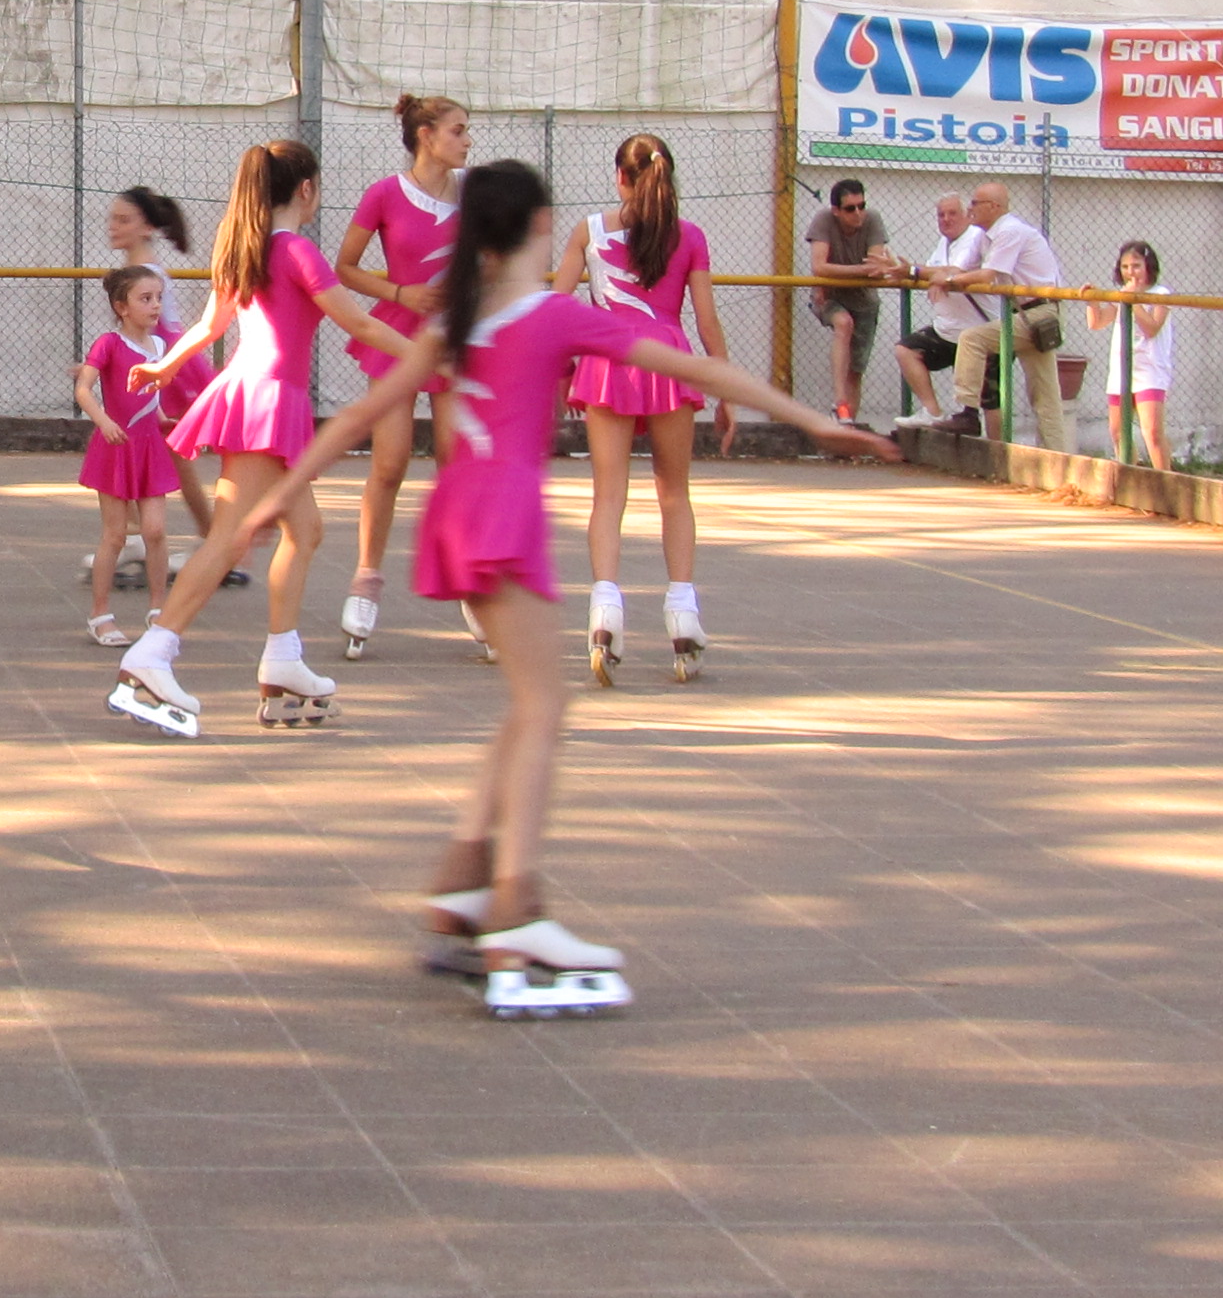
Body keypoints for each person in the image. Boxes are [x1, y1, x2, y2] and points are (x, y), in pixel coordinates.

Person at [247, 160, 897, 1004]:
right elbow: (695, 369)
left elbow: (364, 416)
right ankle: (514, 912)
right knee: (545, 710)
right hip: (502, 520)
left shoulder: (458, 323)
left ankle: (460, 884)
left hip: (456, 515)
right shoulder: (552, 316)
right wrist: (813, 420)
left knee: (528, 705)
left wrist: (288, 490)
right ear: (541, 225)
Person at [105, 141, 417, 737]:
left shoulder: (247, 247)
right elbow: (356, 321)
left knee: (306, 529)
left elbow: (209, 326)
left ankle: (283, 658)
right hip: (267, 401)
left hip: (258, 396)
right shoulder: (295, 250)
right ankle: (153, 654)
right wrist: (434, 359)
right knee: (229, 538)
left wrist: (166, 366)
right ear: (307, 190)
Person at [553, 133, 728, 685]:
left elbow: (557, 306)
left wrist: (563, 369)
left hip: (608, 359)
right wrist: (725, 388)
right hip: (669, 359)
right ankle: (682, 614)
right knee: (674, 493)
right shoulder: (689, 236)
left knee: (609, 494)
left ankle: (605, 612)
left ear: (620, 177)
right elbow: (706, 320)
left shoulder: (589, 230)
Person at [330, 94, 470, 655]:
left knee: (457, 463)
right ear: (426, 135)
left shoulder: (475, 194)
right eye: (458, 130)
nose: (467, 140)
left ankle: (468, 583)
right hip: (397, 336)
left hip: (455, 339)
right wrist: (400, 292)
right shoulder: (385, 193)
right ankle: (366, 578)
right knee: (390, 463)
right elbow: (345, 267)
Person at [103, 185, 215, 562]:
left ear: (147, 227)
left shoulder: (146, 273)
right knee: (138, 453)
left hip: (163, 371)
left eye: (124, 220)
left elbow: (159, 329)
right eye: (113, 218)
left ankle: (208, 540)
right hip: (155, 366)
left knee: (153, 455)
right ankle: (140, 535)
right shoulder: (136, 271)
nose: (113, 226)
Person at [76, 264, 183, 645]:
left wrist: (164, 420)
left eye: (158, 298)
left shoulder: (161, 349)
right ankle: (100, 614)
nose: (155, 306)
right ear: (122, 307)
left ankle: (159, 609)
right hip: (116, 447)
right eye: (145, 299)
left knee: (155, 530)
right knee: (115, 535)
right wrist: (104, 421)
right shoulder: (108, 343)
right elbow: (84, 390)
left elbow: (149, 397)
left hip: (149, 447)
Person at [948, 181, 1073, 451]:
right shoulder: (984, 235)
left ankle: (968, 411)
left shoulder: (1010, 230)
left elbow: (985, 275)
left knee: (972, 339)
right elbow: (957, 270)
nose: (970, 208)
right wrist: (913, 272)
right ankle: (1056, 454)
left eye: (975, 203)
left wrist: (948, 281)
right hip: (1025, 312)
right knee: (1044, 396)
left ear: (994, 207)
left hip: (1041, 312)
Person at [804, 177, 899, 425]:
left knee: (856, 370)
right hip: (829, 294)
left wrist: (847, 271)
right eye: (850, 209)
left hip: (864, 299)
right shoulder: (823, 220)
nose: (858, 213)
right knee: (843, 323)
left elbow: (876, 267)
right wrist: (861, 270)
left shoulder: (873, 219)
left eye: (861, 206)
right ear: (836, 210)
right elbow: (819, 266)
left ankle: (847, 426)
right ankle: (839, 402)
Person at [901, 191, 975, 425]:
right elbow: (934, 270)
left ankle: (996, 440)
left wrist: (915, 271)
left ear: (967, 215)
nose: (946, 219)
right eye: (941, 215)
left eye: (952, 213)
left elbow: (955, 270)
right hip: (947, 329)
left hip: (977, 331)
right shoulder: (944, 243)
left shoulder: (975, 238)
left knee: (983, 402)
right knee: (906, 350)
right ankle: (932, 412)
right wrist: (925, 275)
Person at [1099, 238, 1173, 469]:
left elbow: (1152, 328)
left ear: (1148, 266)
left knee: (1151, 431)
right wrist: (1091, 302)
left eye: (1136, 266)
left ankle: (1165, 481)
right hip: (1121, 370)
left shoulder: (1160, 293)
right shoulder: (1120, 294)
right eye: (1125, 267)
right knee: (1118, 431)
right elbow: (1097, 322)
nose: (1130, 272)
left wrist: (1133, 301)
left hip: (1150, 370)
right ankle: (1129, 477)